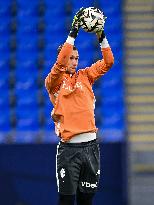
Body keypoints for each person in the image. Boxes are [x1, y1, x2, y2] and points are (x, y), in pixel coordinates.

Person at [45, 8, 114, 205]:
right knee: (66, 201)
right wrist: (73, 32)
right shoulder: (54, 82)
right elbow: (59, 64)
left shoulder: (86, 76)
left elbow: (109, 62)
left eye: (76, 58)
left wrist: (101, 34)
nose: (74, 61)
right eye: (70, 58)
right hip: (68, 151)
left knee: (86, 201)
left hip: (91, 148)